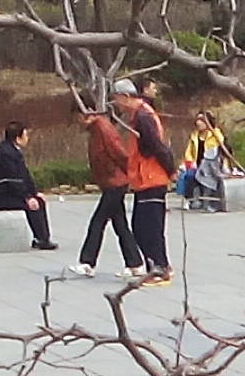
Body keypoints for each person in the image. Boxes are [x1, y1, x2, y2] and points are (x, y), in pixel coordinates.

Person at [68, 93, 144, 278]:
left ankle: (87, 262)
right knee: (120, 224)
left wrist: (131, 175)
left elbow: (120, 153)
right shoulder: (96, 129)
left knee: (98, 221)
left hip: (115, 182)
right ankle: (135, 263)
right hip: (111, 182)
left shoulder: (103, 128)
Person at [111, 77, 176, 284]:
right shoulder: (137, 115)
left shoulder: (143, 116)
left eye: (116, 99)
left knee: (148, 227)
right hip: (143, 179)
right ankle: (159, 265)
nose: (116, 104)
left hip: (151, 178)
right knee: (141, 225)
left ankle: (159, 268)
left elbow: (157, 146)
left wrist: (170, 170)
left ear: (126, 96)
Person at [0, 122, 54, 251]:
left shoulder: (13, 152)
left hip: (9, 194)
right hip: (0, 198)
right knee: (34, 205)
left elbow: (25, 177)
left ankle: (41, 238)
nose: (27, 138)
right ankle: (41, 239)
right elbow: (13, 181)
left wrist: (34, 192)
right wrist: (27, 198)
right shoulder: (7, 155)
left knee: (39, 201)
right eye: (26, 135)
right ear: (17, 138)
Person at [178, 112, 228, 211]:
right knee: (189, 175)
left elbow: (223, 147)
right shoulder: (194, 135)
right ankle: (190, 199)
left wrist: (215, 131)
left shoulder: (214, 134)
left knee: (208, 177)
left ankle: (209, 201)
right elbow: (189, 152)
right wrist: (189, 162)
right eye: (197, 120)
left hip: (211, 166)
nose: (198, 123)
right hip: (197, 165)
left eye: (201, 120)